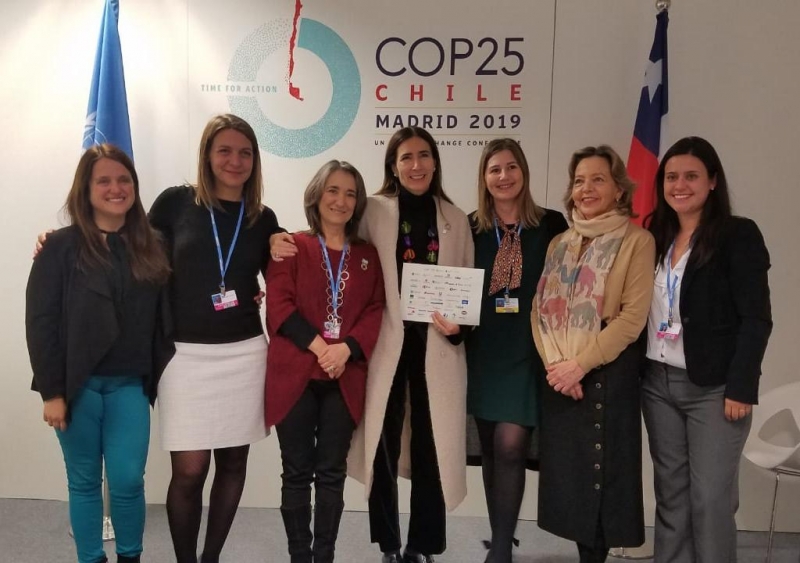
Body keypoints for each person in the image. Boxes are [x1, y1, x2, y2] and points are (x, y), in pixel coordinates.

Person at [148, 114, 289, 563]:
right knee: (190, 472)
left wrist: (289, 246)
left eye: (245, 153)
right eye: (224, 150)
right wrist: (64, 241)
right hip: (184, 356)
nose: (235, 161)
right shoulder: (175, 203)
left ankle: (210, 558)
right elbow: (132, 250)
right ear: (207, 155)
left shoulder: (263, 219)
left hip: (244, 353)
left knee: (232, 464)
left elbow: (288, 283)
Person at [26, 144, 172, 563]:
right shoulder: (59, 247)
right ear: (85, 189)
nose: (115, 188)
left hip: (130, 387)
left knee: (127, 481)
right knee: (85, 482)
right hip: (77, 388)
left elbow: (184, 298)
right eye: (103, 180)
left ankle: (129, 557)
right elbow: (40, 322)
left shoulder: (154, 245)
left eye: (124, 179)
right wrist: (52, 392)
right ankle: (90, 558)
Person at [346, 126, 474, 563]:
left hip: (437, 347)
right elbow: (347, 258)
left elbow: (467, 290)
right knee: (381, 445)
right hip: (386, 344)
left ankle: (423, 545)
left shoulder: (456, 219)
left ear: (435, 162)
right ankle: (388, 544)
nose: (416, 165)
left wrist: (460, 327)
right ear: (393, 165)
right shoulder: (373, 211)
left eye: (423, 155)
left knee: (430, 446)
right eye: (406, 157)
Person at [642, 136, 772, 562]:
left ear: (713, 181)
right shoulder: (653, 233)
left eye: (691, 176)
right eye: (671, 177)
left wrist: (742, 386)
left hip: (714, 389)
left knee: (711, 499)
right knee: (671, 495)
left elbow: (756, 318)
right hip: (657, 383)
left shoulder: (738, 234)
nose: (680, 185)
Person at [531, 145, 655, 562]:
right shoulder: (559, 243)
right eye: (579, 181)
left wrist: (579, 366)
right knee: (573, 485)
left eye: (598, 179)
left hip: (606, 375)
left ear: (619, 188)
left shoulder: (637, 241)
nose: (586, 188)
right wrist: (556, 366)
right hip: (560, 377)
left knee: (604, 486)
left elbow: (632, 318)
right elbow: (539, 310)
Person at [264, 161, 385, 562]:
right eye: (333, 190)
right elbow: (279, 308)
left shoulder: (368, 255)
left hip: (344, 377)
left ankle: (324, 556)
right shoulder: (291, 246)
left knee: (332, 473)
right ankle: (300, 555)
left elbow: (376, 309)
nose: (341, 201)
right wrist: (323, 349)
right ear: (317, 195)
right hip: (295, 375)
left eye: (350, 193)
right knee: (297, 472)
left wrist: (346, 349)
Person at [465, 138, 568, 563]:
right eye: (494, 169)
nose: (503, 176)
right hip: (483, 351)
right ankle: (500, 537)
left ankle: (502, 550)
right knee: (492, 449)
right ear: (484, 177)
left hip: (530, 351)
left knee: (511, 447)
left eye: (511, 167)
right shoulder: (470, 227)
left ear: (523, 171)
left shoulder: (551, 224)